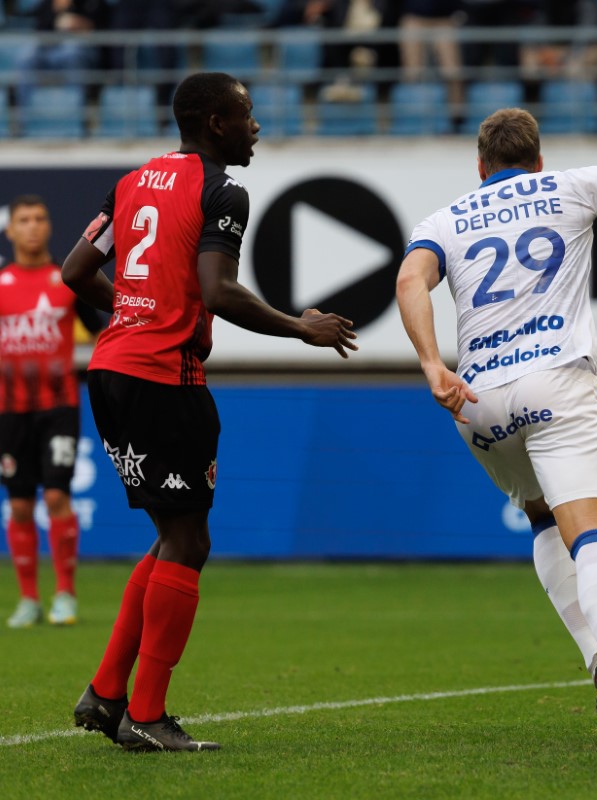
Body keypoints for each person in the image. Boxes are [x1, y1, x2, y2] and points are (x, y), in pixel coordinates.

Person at [395, 83, 597, 751]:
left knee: (541, 515)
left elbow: (407, 282)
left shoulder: (447, 218)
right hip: (556, 380)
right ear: (537, 161)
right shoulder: (574, 185)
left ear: (480, 168)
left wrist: (433, 365)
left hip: (478, 399)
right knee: (592, 533)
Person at [60, 71, 358, 752]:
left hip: (110, 368)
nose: (255, 126)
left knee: (173, 534)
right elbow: (218, 292)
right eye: (246, 115)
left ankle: (108, 694)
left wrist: (136, 309)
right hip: (165, 375)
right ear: (214, 122)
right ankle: (147, 714)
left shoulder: (132, 182)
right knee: (190, 542)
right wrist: (298, 326)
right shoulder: (223, 191)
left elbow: (75, 271)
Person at [1, 196, 85, 629]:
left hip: (59, 407)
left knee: (55, 496)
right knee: (17, 504)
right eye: (24, 220)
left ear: (49, 227)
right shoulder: (0, 283)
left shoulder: (67, 278)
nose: (33, 226)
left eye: (40, 218)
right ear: (10, 230)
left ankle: (65, 594)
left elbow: (107, 327)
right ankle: (29, 599)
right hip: (9, 412)